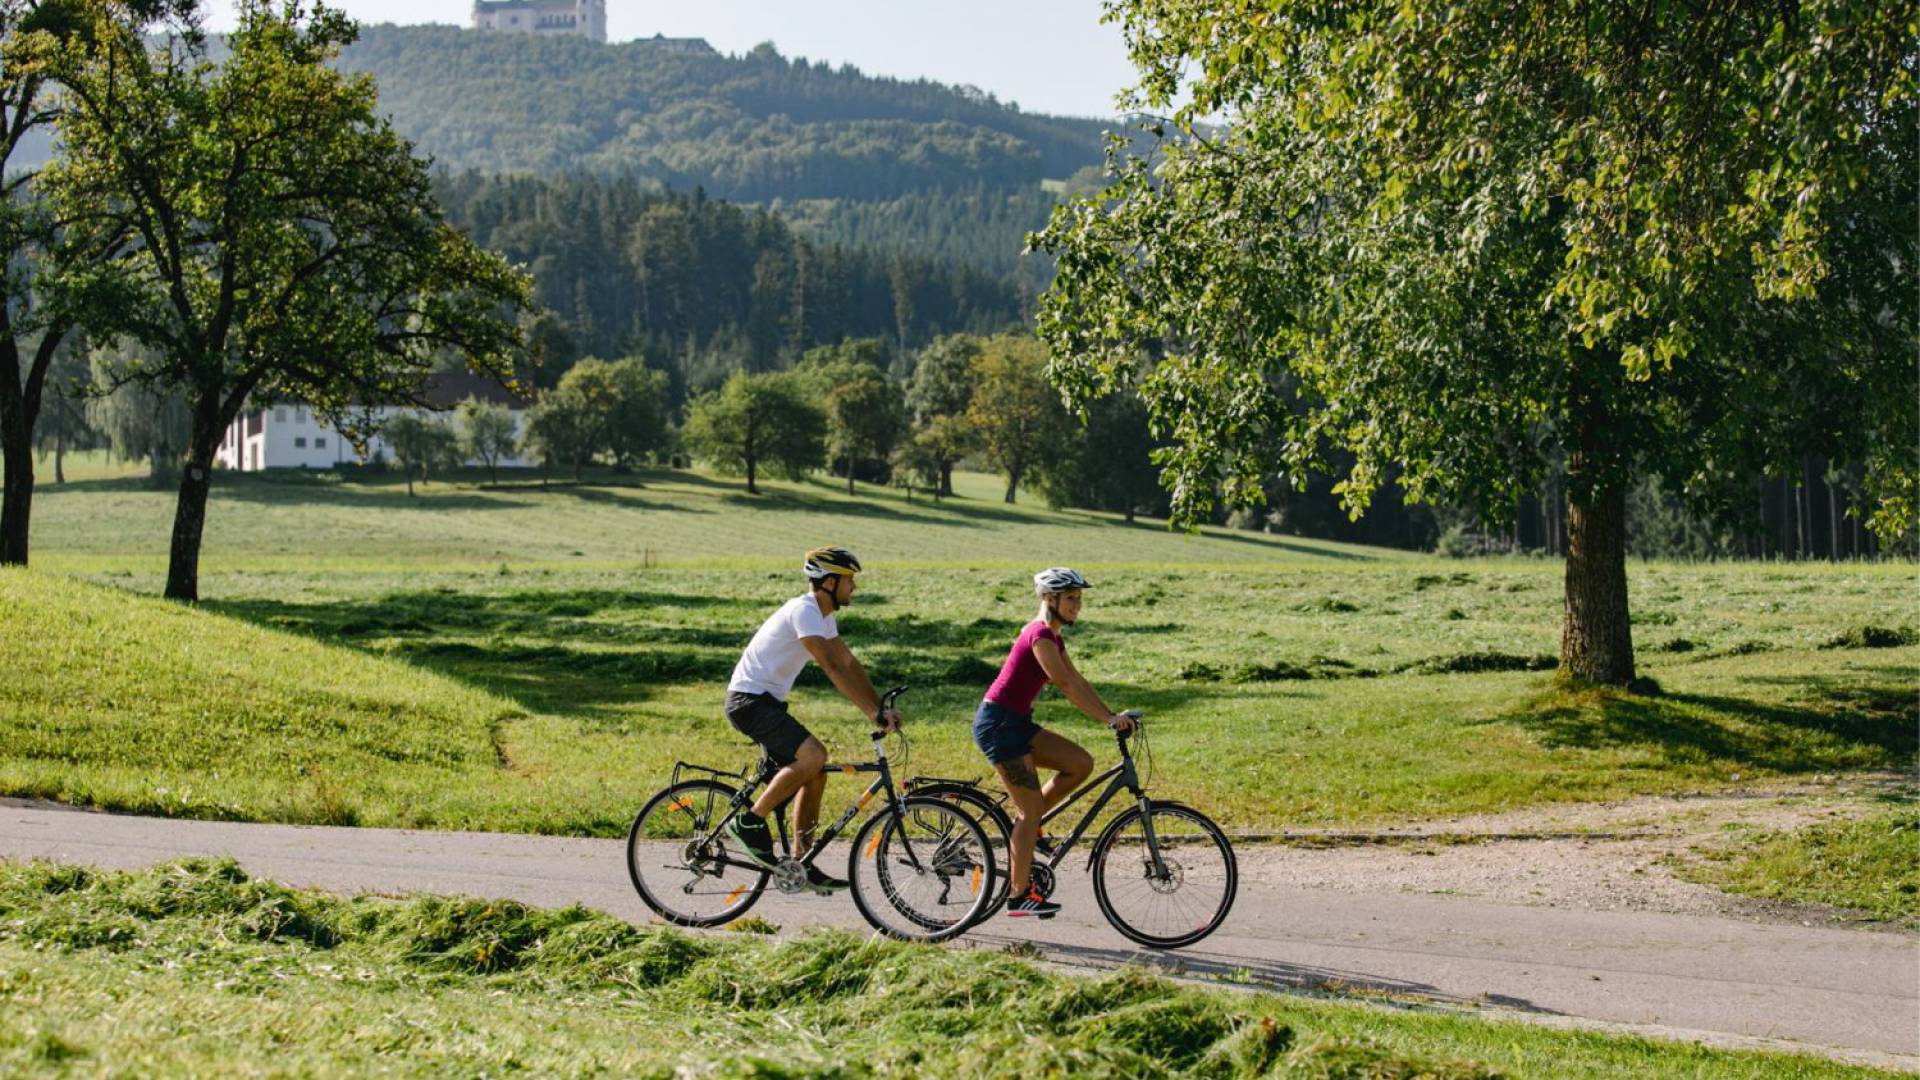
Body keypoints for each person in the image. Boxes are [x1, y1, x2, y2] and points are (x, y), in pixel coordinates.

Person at [723, 546, 901, 893]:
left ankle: (801, 861)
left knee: (815, 772)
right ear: (830, 582)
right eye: (849, 581)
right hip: (749, 701)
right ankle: (749, 821)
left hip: (765, 702)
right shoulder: (804, 611)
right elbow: (831, 666)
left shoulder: (822, 616)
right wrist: (870, 712)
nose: (854, 588)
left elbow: (848, 662)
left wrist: (878, 707)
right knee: (814, 755)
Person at [974, 567, 1135, 918]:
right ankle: (1018, 897)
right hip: (999, 725)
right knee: (1028, 811)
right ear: (1050, 598)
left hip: (1016, 723)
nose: (1078, 605)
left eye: (1079, 598)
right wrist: (1106, 719)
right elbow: (1063, 684)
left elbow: (1076, 679)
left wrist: (1111, 713)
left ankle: (1031, 830)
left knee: (1079, 764)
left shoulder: (1053, 637)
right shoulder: (1039, 635)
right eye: (1071, 598)